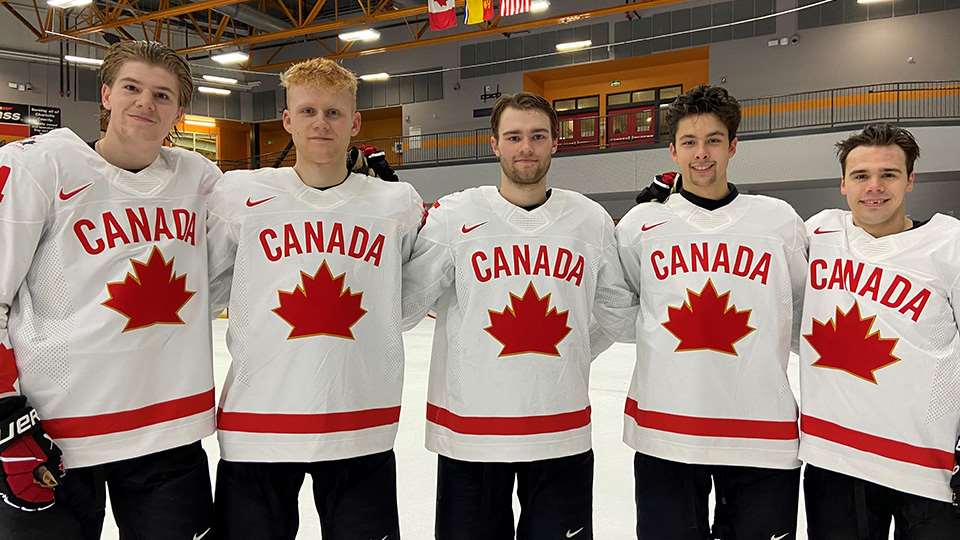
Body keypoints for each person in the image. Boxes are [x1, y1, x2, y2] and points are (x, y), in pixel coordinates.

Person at [0, 40, 220, 539]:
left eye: (162, 95)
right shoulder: (43, 166)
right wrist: (5, 412)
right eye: (132, 88)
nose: (146, 102)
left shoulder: (199, 180)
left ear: (179, 112)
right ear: (106, 95)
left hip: (169, 432)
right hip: (58, 434)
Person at [401, 92, 635, 540]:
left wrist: (572, 350)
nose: (525, 147)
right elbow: (409, 306)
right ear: (494, 144)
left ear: (554, 143)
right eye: (513, 137)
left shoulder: (589, 219)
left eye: (537, 136)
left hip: (559, 428)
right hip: (470, 433)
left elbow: (614, 314)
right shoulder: (456, 215)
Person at [207, 57, 423, 540]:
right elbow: (210, 284)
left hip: (358, 420)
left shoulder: (395, 204)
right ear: (287, 120)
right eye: (307, 112)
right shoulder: (239, 195)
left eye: (333, 113)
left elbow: (403, 298)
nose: (320, 123)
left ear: (355, 122)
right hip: (257, 422)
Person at [614, 85, 808, 539]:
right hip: (667, 431)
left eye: (714, 140)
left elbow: (802, 312)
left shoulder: (778, 220)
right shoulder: (640, 226)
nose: (702, 154)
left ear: (734, 145)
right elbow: (620, 305)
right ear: (672, 151)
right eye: (690, 142)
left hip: (762, 434)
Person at [799, 123, 960, 539]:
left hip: (926, 470)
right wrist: (673, 208)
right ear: (842, 184)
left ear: (910, 180)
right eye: (860, 175)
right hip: (835, 460)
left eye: (888, 174)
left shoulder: (949, 245)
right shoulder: (820, 233)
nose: (874, 186)